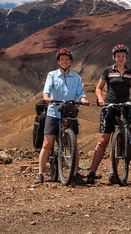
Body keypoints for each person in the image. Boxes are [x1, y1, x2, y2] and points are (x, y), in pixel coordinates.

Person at [86, 44, 131, 185]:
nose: (120, 58)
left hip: (124, 107)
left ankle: (113, 172)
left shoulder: (130, 72)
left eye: (123, 56)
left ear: (126, 58)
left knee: (119, 140)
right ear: (114, 57)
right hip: (109, 107)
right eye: (118, 56)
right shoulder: (108, 71)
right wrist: (100, 100)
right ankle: (92, 172)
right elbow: (98, 88)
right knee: (103, 141)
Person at [33, 48, 89, 185]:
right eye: (62, 59)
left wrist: (83, 100)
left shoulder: (76, 77)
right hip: (54, 112)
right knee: (47, 144)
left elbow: (81, 93)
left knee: (73, 144)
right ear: (58, 61)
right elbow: (46, 90)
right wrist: (46, 97)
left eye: (67, 59)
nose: (64, 61)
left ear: (70, 61)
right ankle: (40, 173)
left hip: (70, 112)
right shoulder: (52, 75)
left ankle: (75, 173)